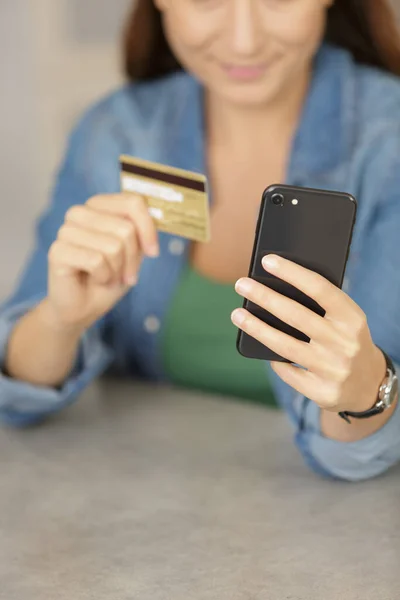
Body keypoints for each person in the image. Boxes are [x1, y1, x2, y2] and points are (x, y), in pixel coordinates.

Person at [1, 0, 400, 481]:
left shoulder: (389, 144)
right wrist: (61, 319)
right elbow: (14, 397)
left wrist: (366, 394)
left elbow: (355, 457)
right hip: (145, 507)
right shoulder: (117, 131)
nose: (244, 41)